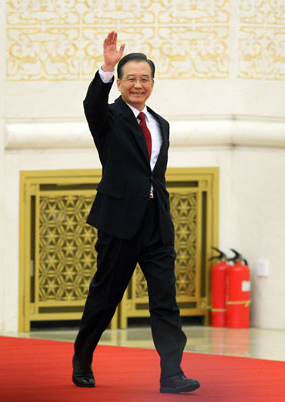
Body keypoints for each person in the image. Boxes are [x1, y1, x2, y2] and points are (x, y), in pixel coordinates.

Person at [72, 31, 200, 394]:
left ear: (153, 84)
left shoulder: (161, 124)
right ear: (121, 83)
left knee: (165, 300)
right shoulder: (108, 118)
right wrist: (106, 69)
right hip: (118, 224)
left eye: (145, 79)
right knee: (105, 296)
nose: (138, 84)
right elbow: (92, 105)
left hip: (156, 224)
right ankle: (82, 359)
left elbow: (154, 174)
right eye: (131, 78)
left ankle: (172, 374)